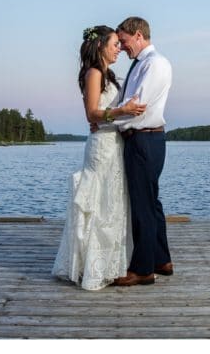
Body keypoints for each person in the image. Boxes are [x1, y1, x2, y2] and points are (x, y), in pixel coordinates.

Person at [52, 25, 146, 290]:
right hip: (101, 147)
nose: (119, 48)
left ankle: (111, 264)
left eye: (119, 44)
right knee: (99, 203)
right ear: (101, 45)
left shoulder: (110, 75)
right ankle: (92, 267)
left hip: (115, 144)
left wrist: (124, 116)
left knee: (113, 204)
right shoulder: (93, 73)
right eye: (115, 44)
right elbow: (92, 114)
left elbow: (104, 113)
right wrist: (122, 110)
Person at [112, 16, 173, 287]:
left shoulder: (155, 64)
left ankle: (143, 269)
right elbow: (128, 103)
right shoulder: (141, 65)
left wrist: (108, 120)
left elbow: (137, 109)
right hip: (144, 139)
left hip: (144, 139)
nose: (122, 47)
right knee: (151, 201)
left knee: (142, 206)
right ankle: (161, 259)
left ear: (138, 35)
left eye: (124, 41)